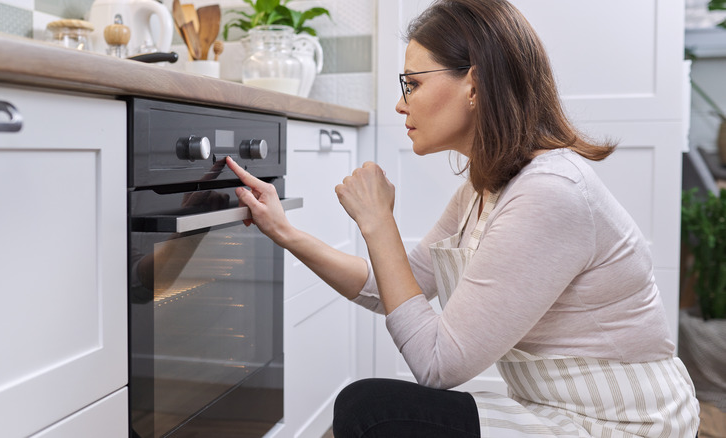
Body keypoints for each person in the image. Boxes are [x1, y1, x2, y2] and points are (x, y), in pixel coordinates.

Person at [225, 0, 700, 436]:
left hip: (623, 424)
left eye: (412, 83)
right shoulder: (485, 187)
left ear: (473, 85)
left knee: (370, 410)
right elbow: (389, 285)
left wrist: (378, 223)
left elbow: (438, 365)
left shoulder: (551, 193)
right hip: (551, 408)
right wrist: (284, 231)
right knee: (368, 409)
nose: (400, 102)